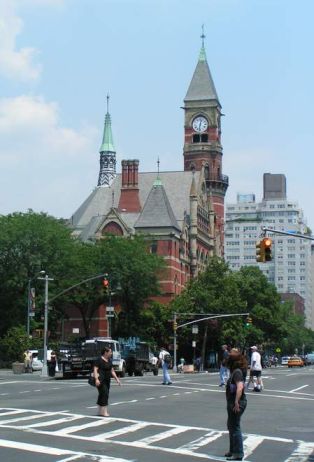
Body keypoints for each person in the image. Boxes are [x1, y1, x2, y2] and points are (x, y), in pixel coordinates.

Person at [225, 348, 247, 461]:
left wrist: (236, 402)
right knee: (231, 425)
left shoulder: (237, 372)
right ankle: (232, 450)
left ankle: (238, 453)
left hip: (236, 402)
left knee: (235, 427)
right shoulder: (236, 371)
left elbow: (240, 387)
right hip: (233, 401)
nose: (229, 353)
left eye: (231, 353)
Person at [93, 347, 121, 417]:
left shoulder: (109, 360)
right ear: (106, 352)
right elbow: (95, 370)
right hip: (100, 380)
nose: (111, 353)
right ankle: (104, 412)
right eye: (110, 352)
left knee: (102, 394)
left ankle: (100, 411)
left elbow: (112, 371)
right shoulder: (99, 360)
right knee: (105, 394)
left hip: (107, 380)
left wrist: (117, 379)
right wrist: (96, 379)